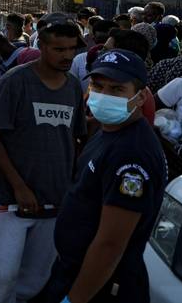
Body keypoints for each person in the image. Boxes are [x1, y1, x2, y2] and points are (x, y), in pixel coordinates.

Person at [38, 50, 167, 302]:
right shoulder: (108, 131)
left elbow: (110, 245)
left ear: (140, 97)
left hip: (99, 286)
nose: (104, 95)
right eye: (98, 86)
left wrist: (75, 299)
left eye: (117, 89)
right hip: (75, 270)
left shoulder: (132, 154)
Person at [0, 13, 88, 303]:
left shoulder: (73, 87)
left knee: (34, 279)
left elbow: (75, 139)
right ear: (42, 46)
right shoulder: (15, 82)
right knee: (3, 274)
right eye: (59, 49)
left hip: (53, 202)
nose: (67, 56)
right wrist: (19, 187)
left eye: (72, 49)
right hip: (9, 201)